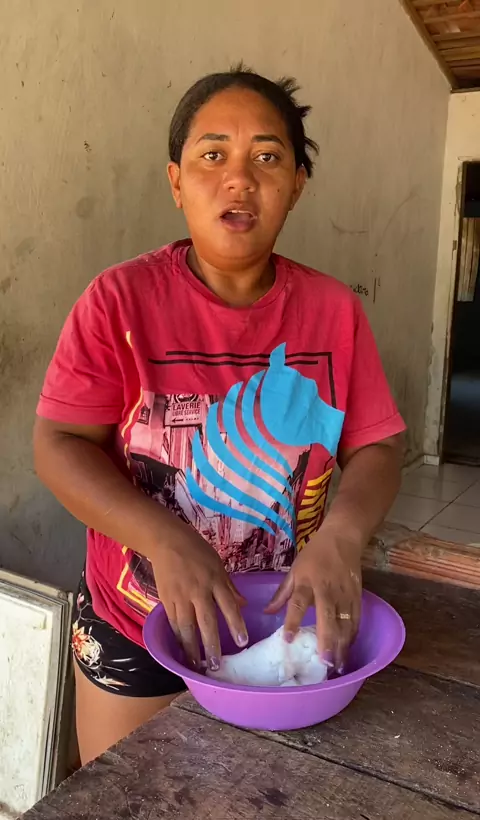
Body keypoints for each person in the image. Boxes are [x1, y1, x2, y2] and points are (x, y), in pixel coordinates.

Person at [34, 66, 405, 765]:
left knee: (261, 803)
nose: (240, 178)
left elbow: (378, 448)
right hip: (136, 621)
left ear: (297, 183)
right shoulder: (117, 302)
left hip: (283, 622)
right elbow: (59, 442)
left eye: (267, 156)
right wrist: (164, 539)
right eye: (213, 155)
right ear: (176, 182)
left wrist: (343, 535)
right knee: (130, 804)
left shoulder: (335, 312)